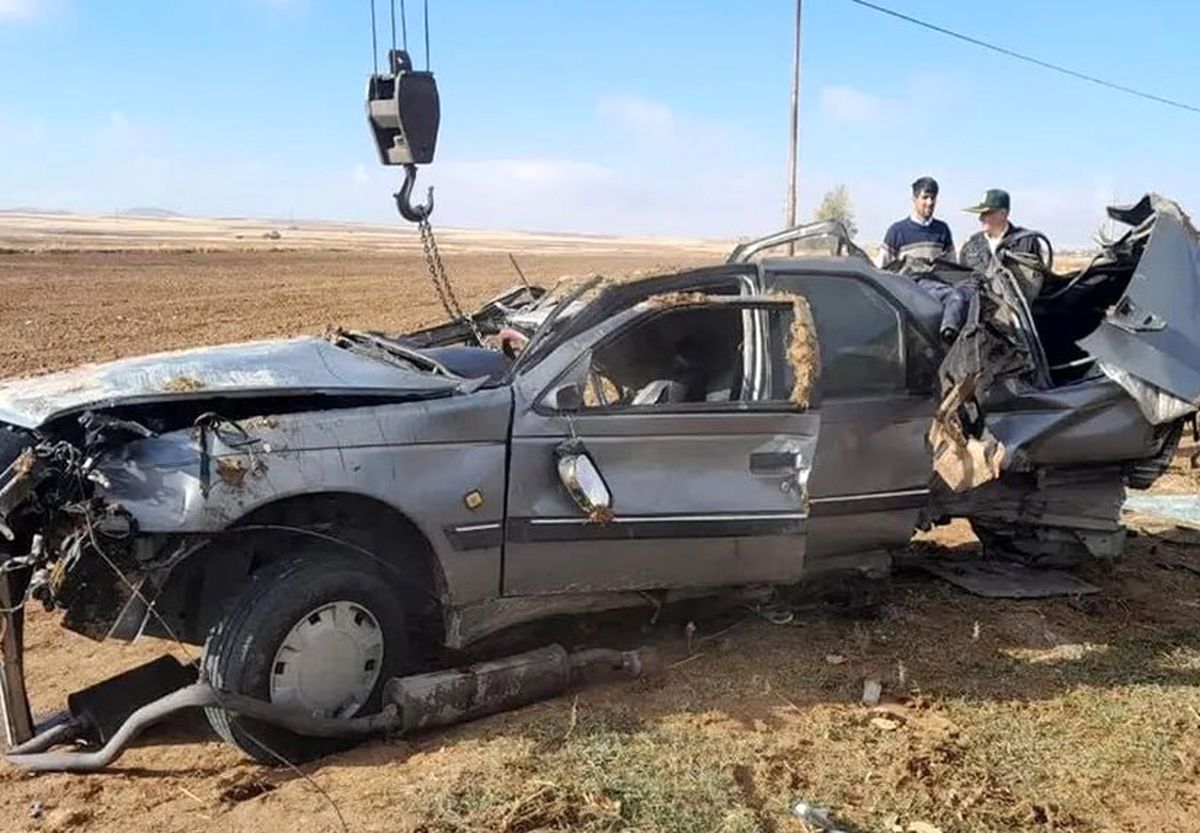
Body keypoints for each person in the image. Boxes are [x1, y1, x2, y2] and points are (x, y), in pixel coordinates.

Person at [876, 176, 955, 269]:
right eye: (925, 197)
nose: (929, 202)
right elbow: (881, 269)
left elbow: (952, 267)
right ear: (914, 199)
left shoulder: (942, 230)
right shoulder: (897, 232)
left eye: (933, 198)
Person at [959, 189, 1043, 272]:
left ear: (1003, 214)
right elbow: (962, 280)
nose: (980, 218)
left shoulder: (1026, 241)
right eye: (981, 214)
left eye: (986, 213)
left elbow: (1038, 277)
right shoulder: (971, 245)